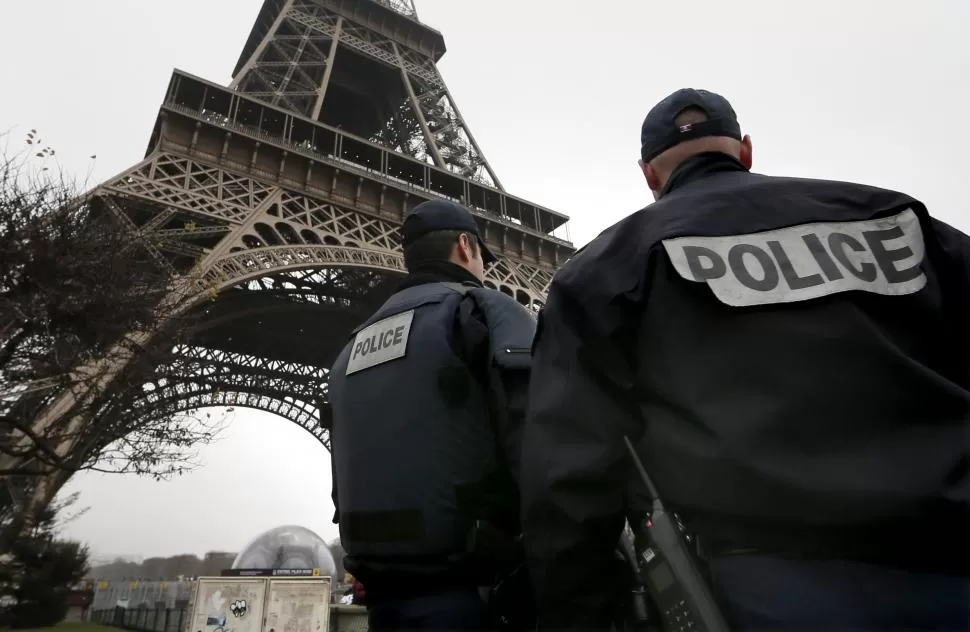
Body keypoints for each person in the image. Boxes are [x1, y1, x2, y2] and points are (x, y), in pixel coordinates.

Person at [520, 88, 970, 631]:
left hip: (769, 588)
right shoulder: (897, 217)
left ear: (649, 176)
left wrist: (585, 614)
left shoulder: (608, 267)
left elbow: (567, 469)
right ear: (746, 149)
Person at [328, 199, 537, 631]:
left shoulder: (351, 348)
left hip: (383, 599)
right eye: (482, 256)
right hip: (478, 595)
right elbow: (543, 445)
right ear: (466, 246)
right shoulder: (482, 312)